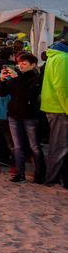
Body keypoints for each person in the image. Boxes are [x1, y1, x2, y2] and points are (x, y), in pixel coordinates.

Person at [0, 52, 42, 183]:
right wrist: (2, 80)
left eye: (24, 63)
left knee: (34, 146)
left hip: (30, 116)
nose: (20, 66)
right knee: (18, 146)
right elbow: (3, 93)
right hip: (14, 115)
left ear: (33, 65)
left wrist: (15, 78)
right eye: (19, 63)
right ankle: (19, 173)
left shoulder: (36, 79)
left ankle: (39, 173)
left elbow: (27, 95)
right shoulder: (16, 78)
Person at [41, 40, 68, 188]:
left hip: (53, 106)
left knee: (59, 145)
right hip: (59, 108)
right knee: (59, 146)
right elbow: (62, 88)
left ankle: (56, 177)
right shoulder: (63, 58)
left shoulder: (55, 56)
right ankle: (51, 179)